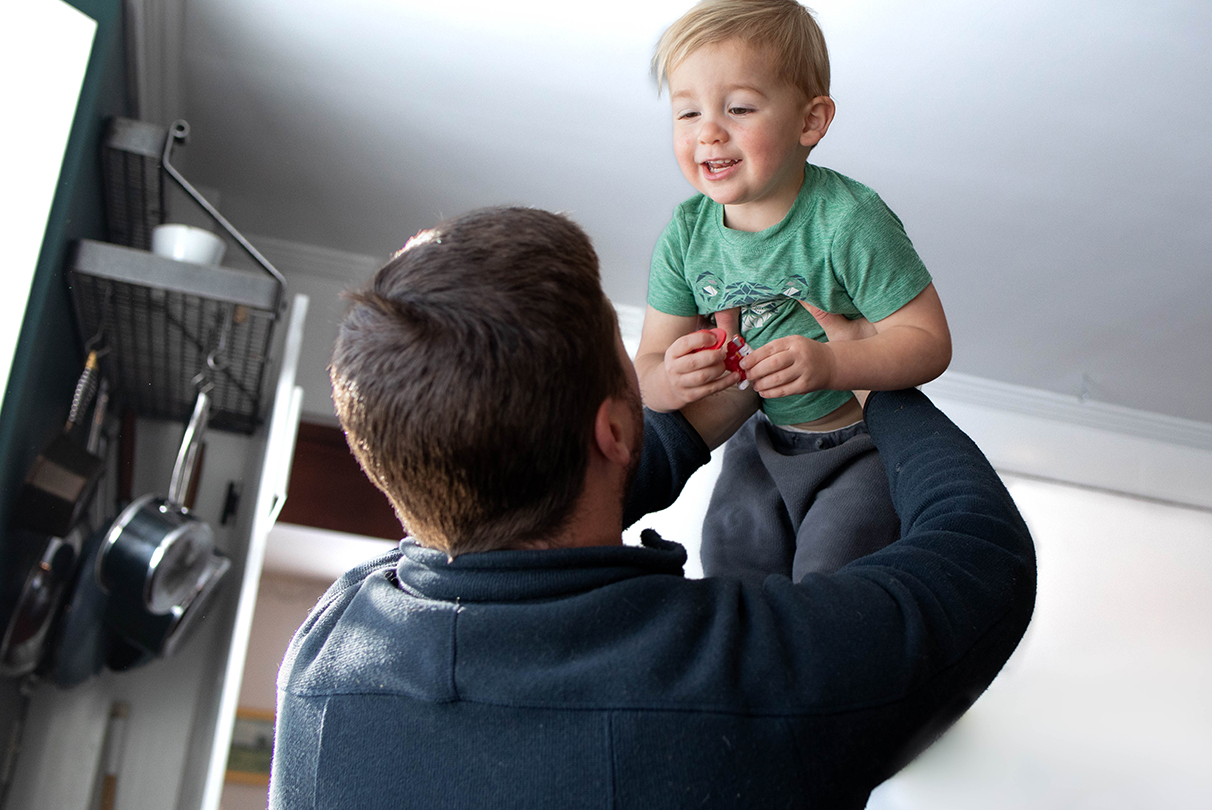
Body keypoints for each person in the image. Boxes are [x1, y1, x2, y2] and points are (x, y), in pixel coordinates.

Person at [268, 207, 1035, 810]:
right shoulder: (755, 682)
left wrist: (729, 388)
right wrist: (866, 373)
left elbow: (512, 514)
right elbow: (980, 553)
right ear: (611, 427)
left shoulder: (327, 659)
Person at [636, 0, 953, 584]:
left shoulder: (849, 221)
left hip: (859, 446)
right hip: (758, 438)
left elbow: (929, 343)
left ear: (810, 122)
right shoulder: (686, 235)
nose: (708, 131)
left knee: (830, 576)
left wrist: (833, 362)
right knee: (729, 563)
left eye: (738, 108)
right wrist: (671, 379)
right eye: (686, 113)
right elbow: (649, 371)